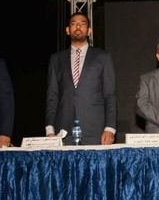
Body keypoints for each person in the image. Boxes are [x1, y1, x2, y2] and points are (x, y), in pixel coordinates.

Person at [46, 12, 117, 145]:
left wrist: (110, 128)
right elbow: (52, 95)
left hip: (95, 132)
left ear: (89, 31)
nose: (78, 27)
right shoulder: (56, 59)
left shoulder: (103, 57)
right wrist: (49, 128)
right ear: (67, 30)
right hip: (63, 132)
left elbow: (109, 95)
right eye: (74, 24)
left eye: (82, 24)